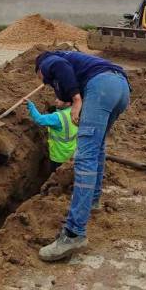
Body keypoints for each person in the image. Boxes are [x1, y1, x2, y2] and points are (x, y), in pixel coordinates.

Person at [34, 51, 130, 262]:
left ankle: (74, 234)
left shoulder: (49, 60)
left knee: (84, 157)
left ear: (39, 70)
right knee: (97, 148)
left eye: (41, 78)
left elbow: (59, 67)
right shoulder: (79, 62)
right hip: (121, 87)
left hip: (103, 88)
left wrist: (77, 101)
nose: (45, 83)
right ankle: (93, 201)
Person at [26, 98, 78, 171]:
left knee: (56, 177)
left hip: (59, 156)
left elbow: (39, 119)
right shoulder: (75, 111)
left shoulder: (57, 117)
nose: (56, 101)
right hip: (71, 153)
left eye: (60, 99)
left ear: (68, 103)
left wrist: (31, 106)